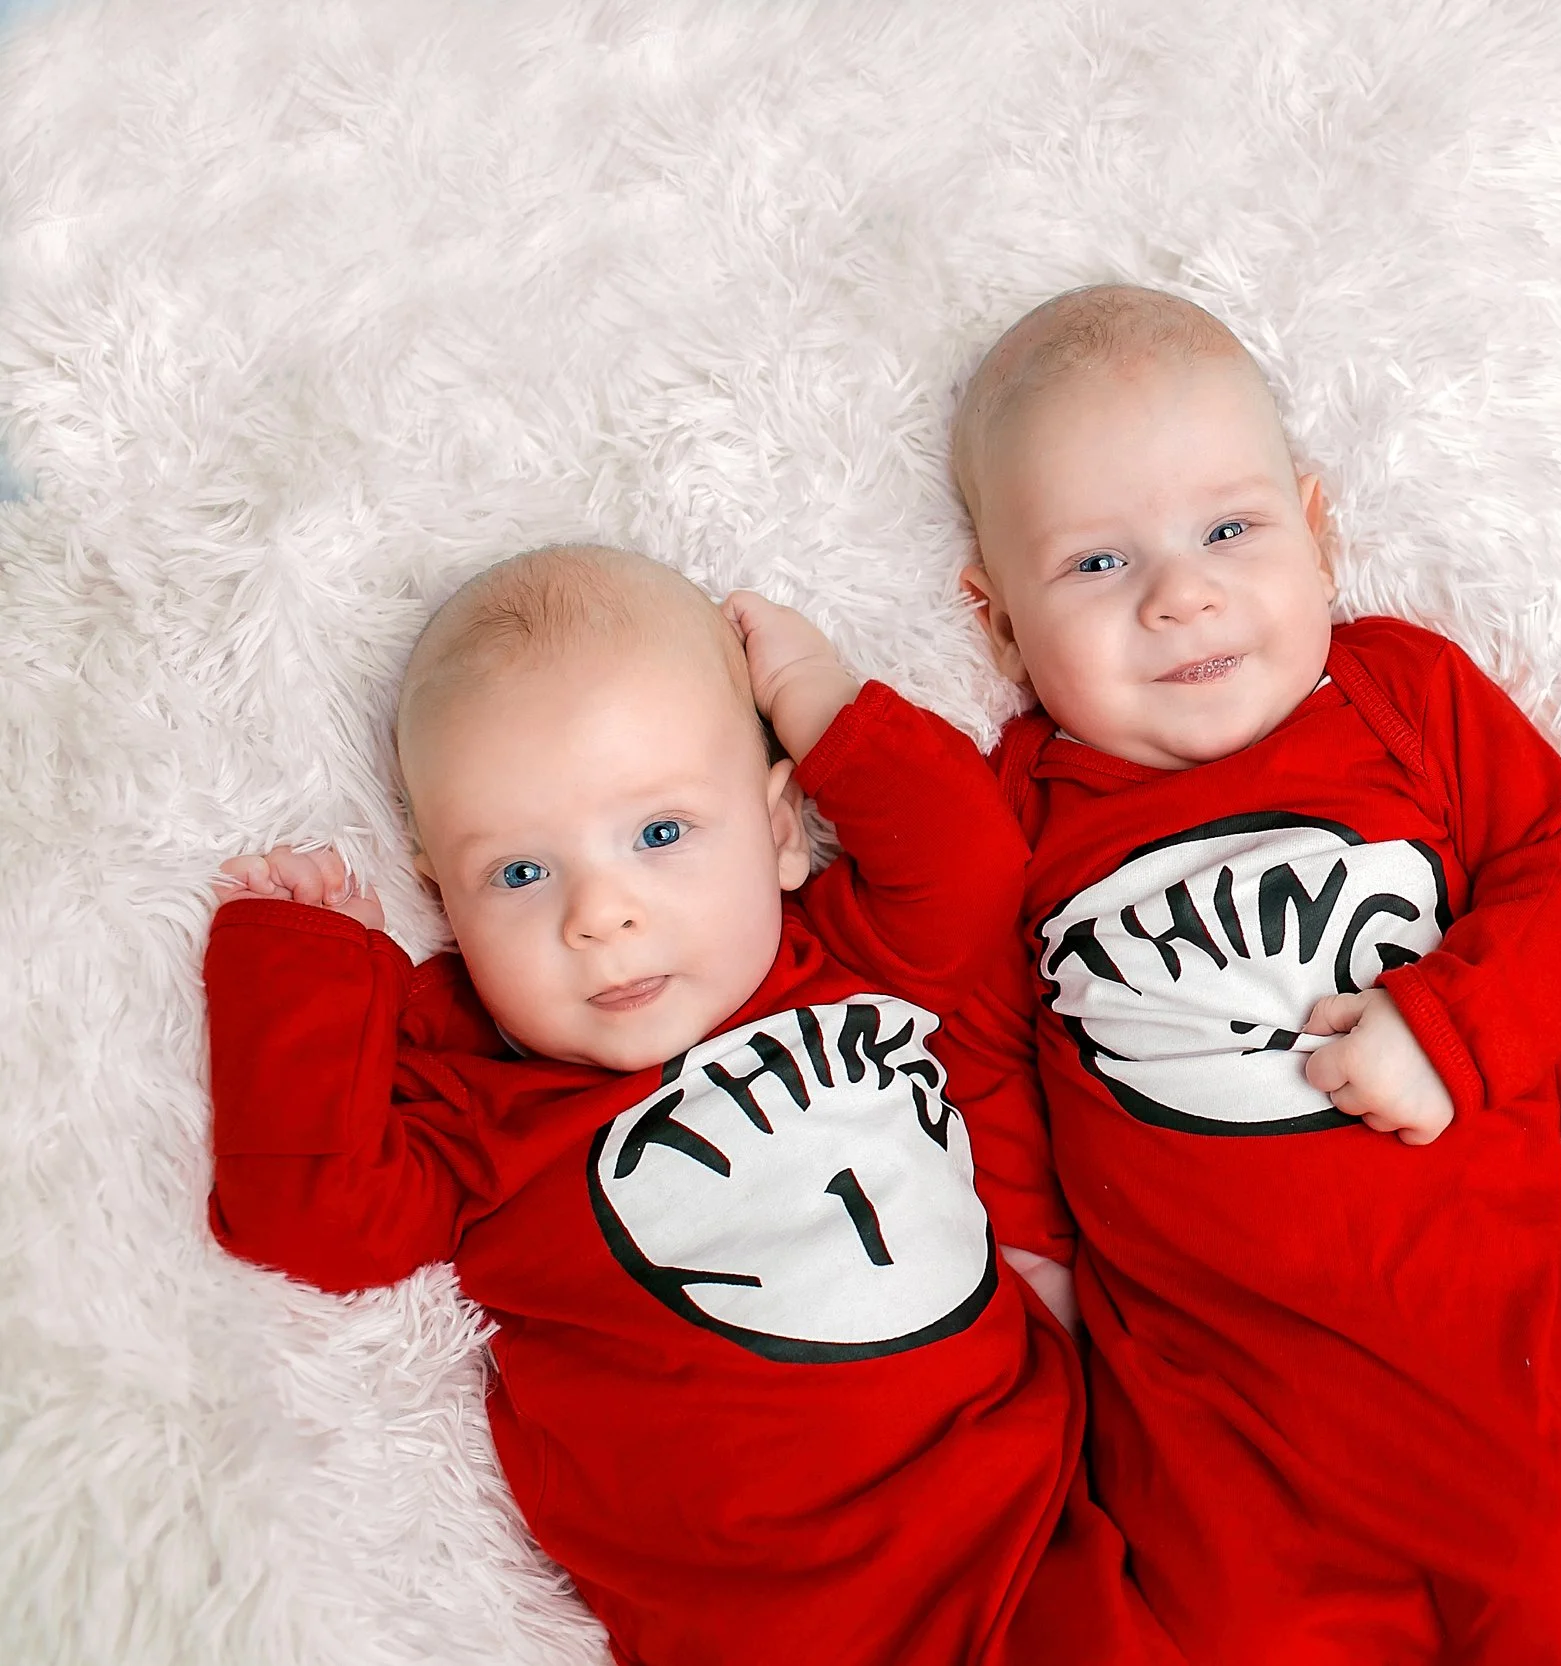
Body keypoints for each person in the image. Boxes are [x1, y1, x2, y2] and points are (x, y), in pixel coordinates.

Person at [205, 546, 1169, 1666]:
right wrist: (302, 972)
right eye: (519, 874)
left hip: (1027, 1539)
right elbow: (309, 1219)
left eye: (660, 834)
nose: (602, 914)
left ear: (774, 830)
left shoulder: (850, 961)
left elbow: (969, 864)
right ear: (443, 901)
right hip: (761, 1625)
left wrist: (821, 704)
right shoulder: (485, 1103)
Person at [952, 283, 1561, 1666]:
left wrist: (1457, 1026)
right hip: (1214, 1414)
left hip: (1494, 1373)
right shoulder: (1016, 812)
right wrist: (1032, 1265)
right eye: (1096, 565)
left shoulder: (1404, 697)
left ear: (1318, 533)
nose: (1181, 593)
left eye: (1230, 530)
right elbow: (980, 1046)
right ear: (1001, 621)